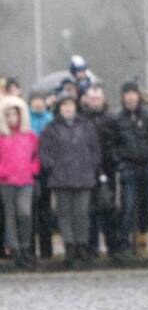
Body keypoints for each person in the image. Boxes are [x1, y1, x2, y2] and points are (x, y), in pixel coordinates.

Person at [40, 94, 101, 263]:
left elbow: (95, 149)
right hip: (61, 178)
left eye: (71, 105)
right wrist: (53, 166)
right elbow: (44, 151)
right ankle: (69, 245)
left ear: (76, 107)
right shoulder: (51, 128)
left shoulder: (86, 126)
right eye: (64, 105)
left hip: (83, 176)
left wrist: (90, 165)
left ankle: (82, 244)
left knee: (82, 213)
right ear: (59, 108)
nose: (68, 108)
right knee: (64, 213)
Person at [111, 81, 148, 255]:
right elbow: (112, 144)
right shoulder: (117, 118)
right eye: (127, 94)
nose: (131, 97)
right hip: (129, 167)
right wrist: (120, 163)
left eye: (133, 93)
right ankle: (124, 244)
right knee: (127, 208)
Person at [0, 96, 41, 269]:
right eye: (8, 115)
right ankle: (15, 249)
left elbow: (37, 156)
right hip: (6, 181)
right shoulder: (2, 136)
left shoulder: (30, 136)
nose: (11, 118)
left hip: (25, 181)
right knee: (10, 215)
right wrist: (4, 172)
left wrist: (33, 169)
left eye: (14, 115)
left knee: (24, 213)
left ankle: (26, 246)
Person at [81, 83, 119, 257]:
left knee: (108, 207)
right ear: (86, 100)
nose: (95, 101)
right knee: (90, 210)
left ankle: (113, 244)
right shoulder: (81, 119)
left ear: (103, 99)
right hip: (87, 168)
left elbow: (118, 141)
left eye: (97, 97)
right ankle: (92, 246)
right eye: (92, 98)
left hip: (108, 167)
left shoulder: (111, 118)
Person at [28, 93, 54, 259]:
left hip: (46, 168)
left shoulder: (50, 119)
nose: (38, 105)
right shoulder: (25, 119)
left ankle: (46, 249)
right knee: (29, 210)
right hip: (28, 168)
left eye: (41, 102)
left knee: (45, 210)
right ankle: (30, 248)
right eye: (35, 103)